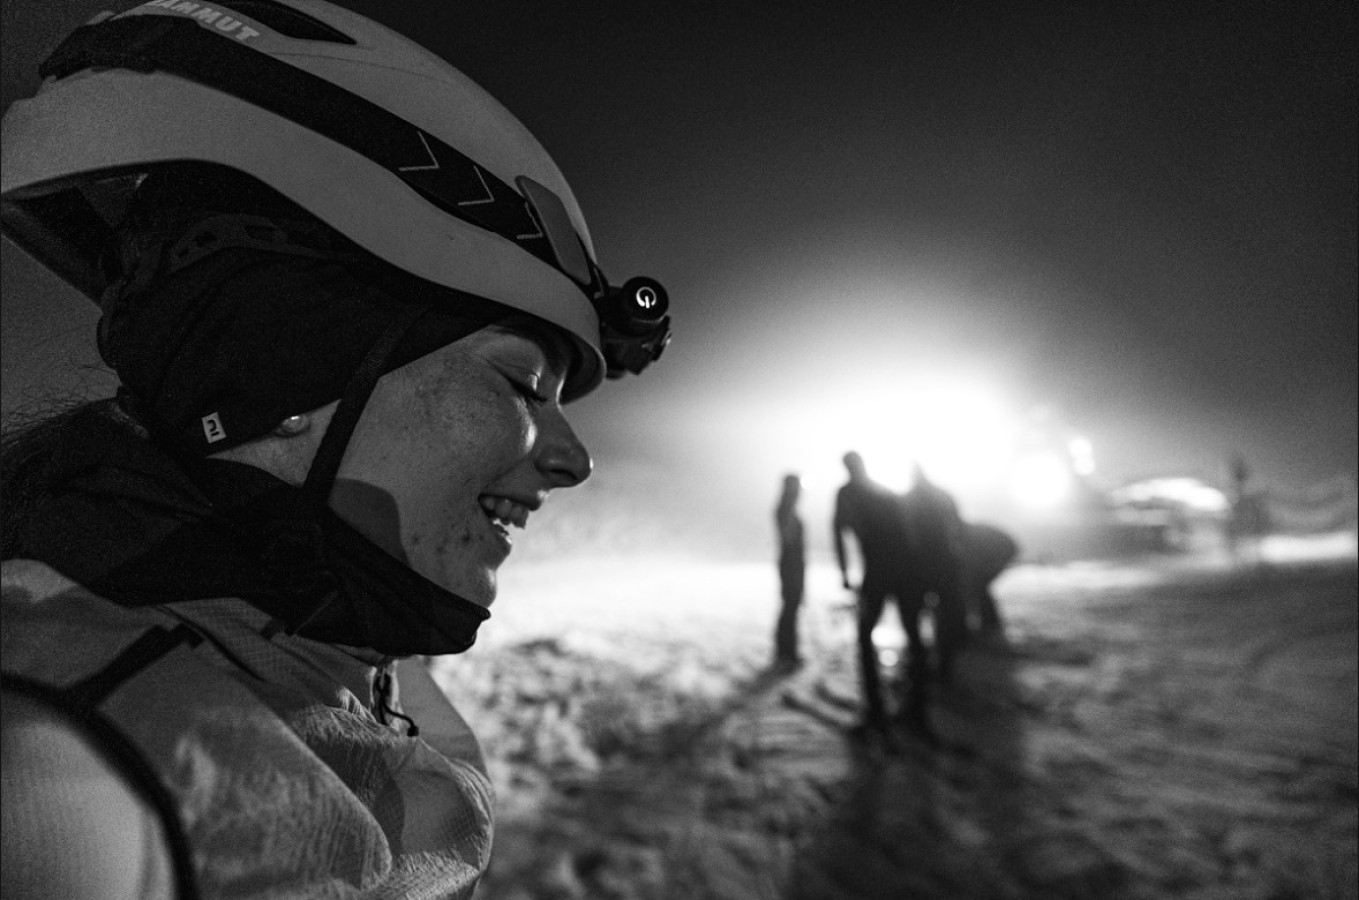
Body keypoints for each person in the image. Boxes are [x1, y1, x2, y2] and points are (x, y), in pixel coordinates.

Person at [0, 3, 671, 898]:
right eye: (520, 384)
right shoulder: (68, 792)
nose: (573, 459)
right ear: (282, 374)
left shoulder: (319, 637)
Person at [832, 451, 929, 739]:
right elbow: (912, 532)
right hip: (906, 569)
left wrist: (845, 573)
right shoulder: (883, 490)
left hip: (879, 571)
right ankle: (916, 708)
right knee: (914, 636)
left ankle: (876, 710)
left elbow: (838, 533)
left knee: (865, 637)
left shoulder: (847, 493)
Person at [899, 464, 967, 684]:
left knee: (915, 617)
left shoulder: (908, 500)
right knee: (946, 617)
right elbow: (959, 529)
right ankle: (944, 666)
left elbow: (907, 535)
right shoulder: (944, 496)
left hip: (921, 566)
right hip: (945, 564)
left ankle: (920, 664)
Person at [959, 522, 1019, 640]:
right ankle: (989, 623)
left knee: (979, 586)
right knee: (979, 586)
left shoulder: (965, 534)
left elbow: (972, 558)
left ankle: (990, 625)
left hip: (1002, 551)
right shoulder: (967, 532)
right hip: (1001, 549)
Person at [773, 473, 806, 670]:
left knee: (791, 606)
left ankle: (787, 651)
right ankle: (786, 652)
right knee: (790, 606)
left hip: (793, 563)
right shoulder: (785, 510)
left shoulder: (788, 509)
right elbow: (789, 539)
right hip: (790, 564)